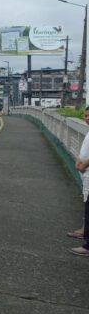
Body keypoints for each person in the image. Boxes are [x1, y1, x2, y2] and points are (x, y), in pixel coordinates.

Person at [69, 105, 89, 256]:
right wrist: (78, 160)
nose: (86, 118)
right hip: (84, 171)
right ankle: (84, 230)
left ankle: (87, 246)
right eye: (85, 115)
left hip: (87, 170)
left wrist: (83, 165)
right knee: (86, 203)